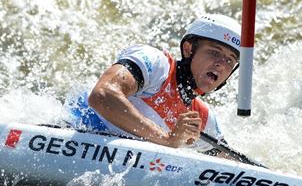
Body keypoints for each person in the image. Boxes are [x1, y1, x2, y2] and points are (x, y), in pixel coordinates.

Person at [68, 14, 240, 155]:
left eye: (230, 60)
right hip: (72, 136)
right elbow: (102, 94)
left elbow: (228, 164)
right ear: (188, 49)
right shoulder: (156, 65)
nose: (221, 64)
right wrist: (166, 140)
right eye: (214, 52)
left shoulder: (203, 118)